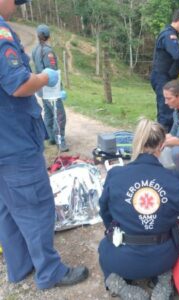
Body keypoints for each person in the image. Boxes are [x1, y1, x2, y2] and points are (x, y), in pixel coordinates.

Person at [0, 0, 88, 289]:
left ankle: (20, 267)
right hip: (15, 141)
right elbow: (18, 84)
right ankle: (50, 272)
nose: (17, 6)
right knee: (35, 206)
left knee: (8, 208)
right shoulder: (1, 33)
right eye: (15, 1)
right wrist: (44, 78)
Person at [98, 118, 179, 300]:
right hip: (163, 256)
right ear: (162, 146)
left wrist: (115, 227)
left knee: (103, 249)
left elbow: (104, 210)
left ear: (136, 142)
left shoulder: (115, 174)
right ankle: (164, 281)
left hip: (121, 258)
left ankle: (121, 287)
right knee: (172, 233)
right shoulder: (173, 177)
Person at [32, 24, 69, 152]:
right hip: (51, 90)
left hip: (41, 89)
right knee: (59, 115)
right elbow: (52, 73)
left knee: (48, 113)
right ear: (49, 35)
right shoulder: (48, 51)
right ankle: (61, 141)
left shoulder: (35, 50)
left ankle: (52, 137)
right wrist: (60, 89)